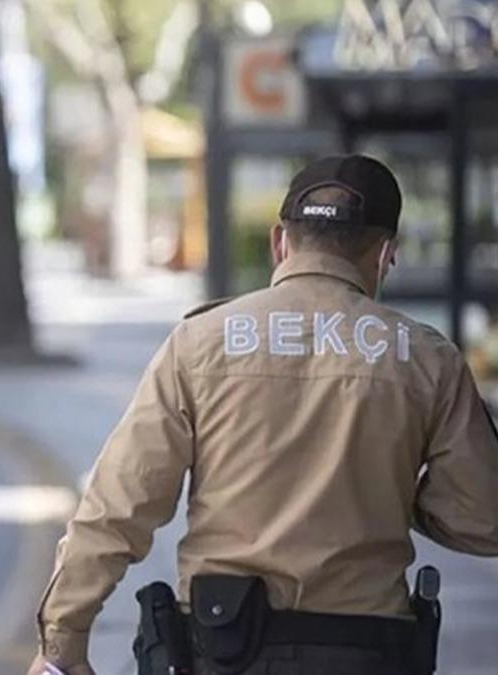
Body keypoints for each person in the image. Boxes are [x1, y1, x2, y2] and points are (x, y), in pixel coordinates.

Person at [27, 155, 498, 675]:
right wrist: (390, 489)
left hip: (224, 644)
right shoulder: (428, 359)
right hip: (368, 650)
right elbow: (483, 519)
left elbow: (119, 503)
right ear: (386, 254)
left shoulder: (199, 344)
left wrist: (63, 639)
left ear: (280, 241)